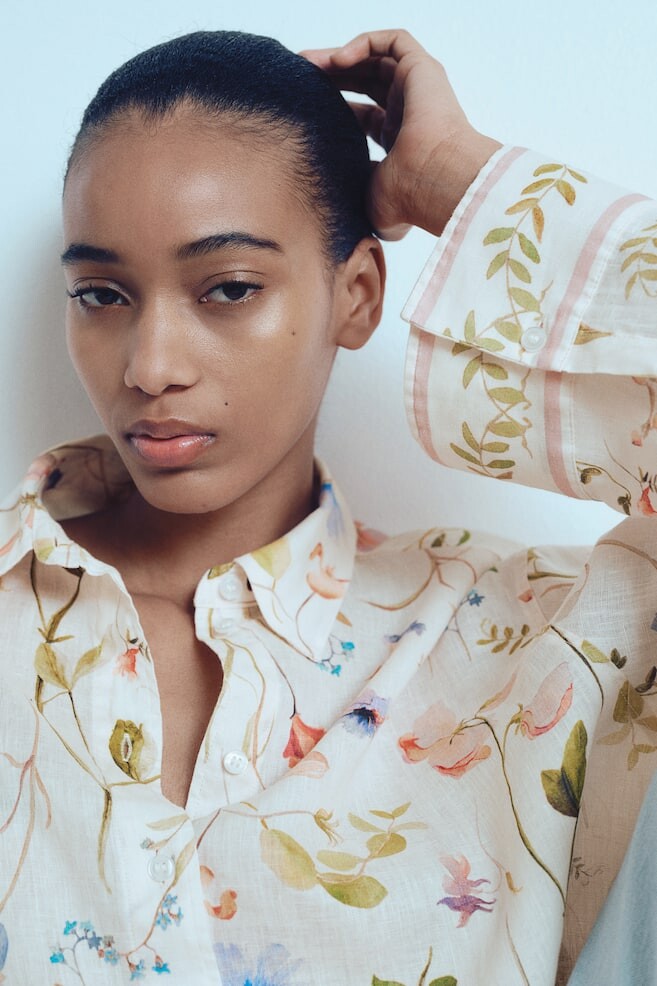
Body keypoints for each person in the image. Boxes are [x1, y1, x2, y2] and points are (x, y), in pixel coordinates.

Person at [0, 26, 655, 986]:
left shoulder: (530, 647)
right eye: (101, 295)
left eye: (228, 288)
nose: (150, 367)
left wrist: (452, 178)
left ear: (356, 294)